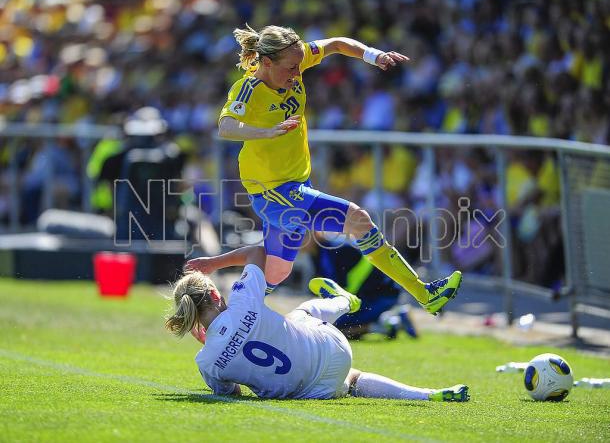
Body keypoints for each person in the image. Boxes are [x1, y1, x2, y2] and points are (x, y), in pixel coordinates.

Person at [205, 24, 461, 316]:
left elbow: (338, 43)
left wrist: (373, 56)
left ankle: (226, 316)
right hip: (273, 189)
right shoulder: (248, 89)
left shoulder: (295, 59)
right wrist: (265, 132)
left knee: (275, 272)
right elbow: (225, 127)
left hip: (295, 182)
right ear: (266, 62)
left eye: (300, 65)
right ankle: (425, 293)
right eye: (291, 68)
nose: (297, 73)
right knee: (359, 220)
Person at [168, 246, 469, 402]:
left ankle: (427, 393)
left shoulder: (206, 361)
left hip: (312, 391)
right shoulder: (241, 300)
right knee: (299, 315)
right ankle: (344, 302)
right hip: (333, 349)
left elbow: (232, 393)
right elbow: (258, 252)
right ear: (213, 293)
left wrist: (213, 344)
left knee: (351, 380)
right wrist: (213, 263)